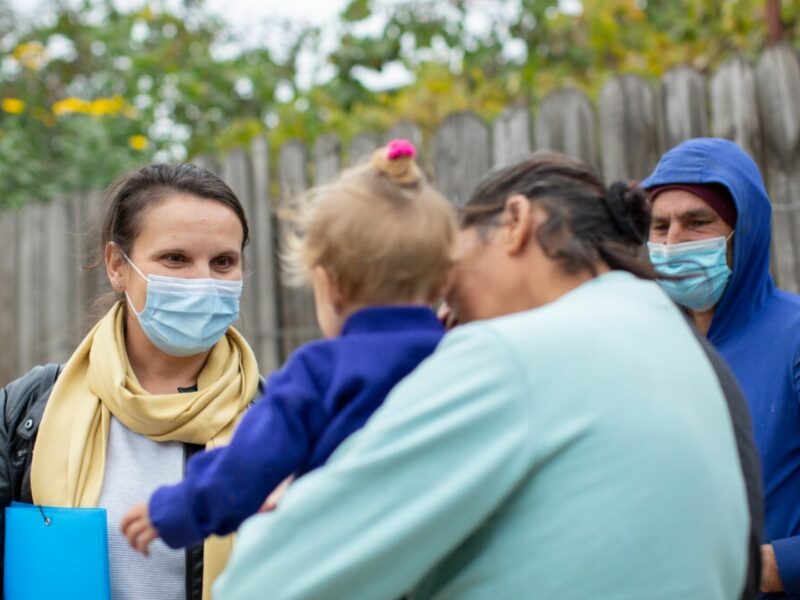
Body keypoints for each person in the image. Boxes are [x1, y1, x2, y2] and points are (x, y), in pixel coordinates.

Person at [213, 152, 760, 600]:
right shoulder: (674, 341)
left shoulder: (512, 355)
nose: (440, 299)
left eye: (447, 263)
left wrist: (297, 496)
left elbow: (267, 582)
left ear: (515, 222)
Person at [120, 140, 457, 555]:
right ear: (442, 284)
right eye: (175, 259)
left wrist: (177, 507)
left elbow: (251, 464)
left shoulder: (322, 372)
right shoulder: (460, 358)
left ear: (331, 285)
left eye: (223, 262)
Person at [0, 163, 264, 600]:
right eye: (175, 258)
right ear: (116, 266)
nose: (202, 281)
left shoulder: (277, 420)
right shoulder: (29, 410)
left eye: (223, 262)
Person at [642, 137, 800, 597]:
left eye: (697, 223)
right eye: (660, 226)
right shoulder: (648, 345)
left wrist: (763, 568)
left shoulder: (793, 336)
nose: (672, 243)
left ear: (744, 232)